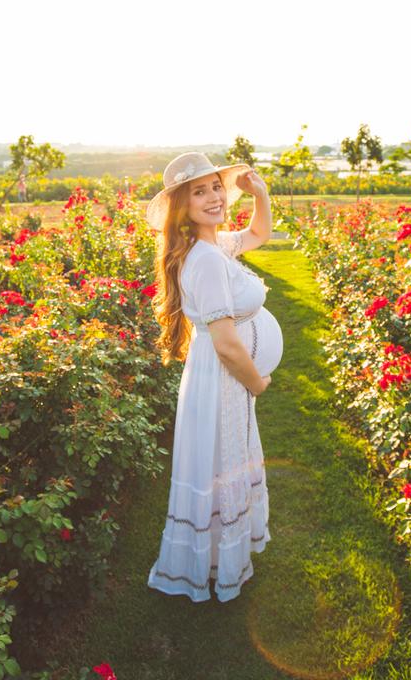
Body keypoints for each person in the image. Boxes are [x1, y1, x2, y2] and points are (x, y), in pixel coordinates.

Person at [144, 151, 282, 602]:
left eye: (216, 187)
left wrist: (257, 192)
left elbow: (260, 232)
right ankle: (215, 559)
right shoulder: (204, 258)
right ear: (182, 206)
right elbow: (225, 343)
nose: (213, 197)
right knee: (221, 461)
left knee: (222, 459)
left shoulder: (216, 245)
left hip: (219, 376)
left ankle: (220, 553)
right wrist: (257, 382)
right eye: (199, 192)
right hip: (225, 375)